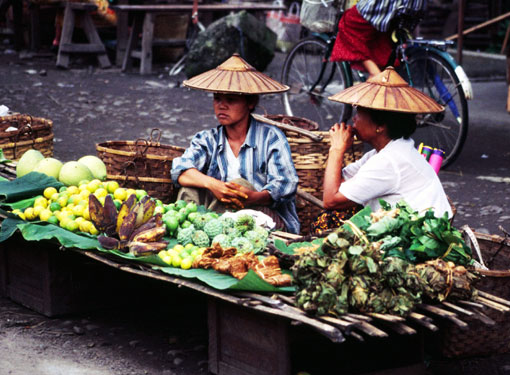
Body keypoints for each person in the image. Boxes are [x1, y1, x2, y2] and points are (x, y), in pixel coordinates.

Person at [170, 54, 301, 234]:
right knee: (189, 189)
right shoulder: (208, 139)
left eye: (231, 100)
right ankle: (198, 234)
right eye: (217, 98)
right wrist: (214, 185)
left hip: (265, 218)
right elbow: (181, 170)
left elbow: (286, 185)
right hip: (219, 215)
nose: (221, 106)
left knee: (241, 184)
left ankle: (214, 232)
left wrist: (253, 197)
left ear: (251, 102)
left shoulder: (271, 138)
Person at [311, 67, 452, 232]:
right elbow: (336, 185)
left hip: (422, 234)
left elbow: (330, 199)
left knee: (329, 220)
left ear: (380, 126)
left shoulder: (389, 161)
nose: (353, 119)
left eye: (359, 113)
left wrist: (336, 149)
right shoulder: (382, 152)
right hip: (408, 226)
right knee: (333, 216)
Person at [331, 0, 427, 75]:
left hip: (391, 5)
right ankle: (378, 74)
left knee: (348, 23)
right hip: (415, 6)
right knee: (380, 35)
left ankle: (376, 75)